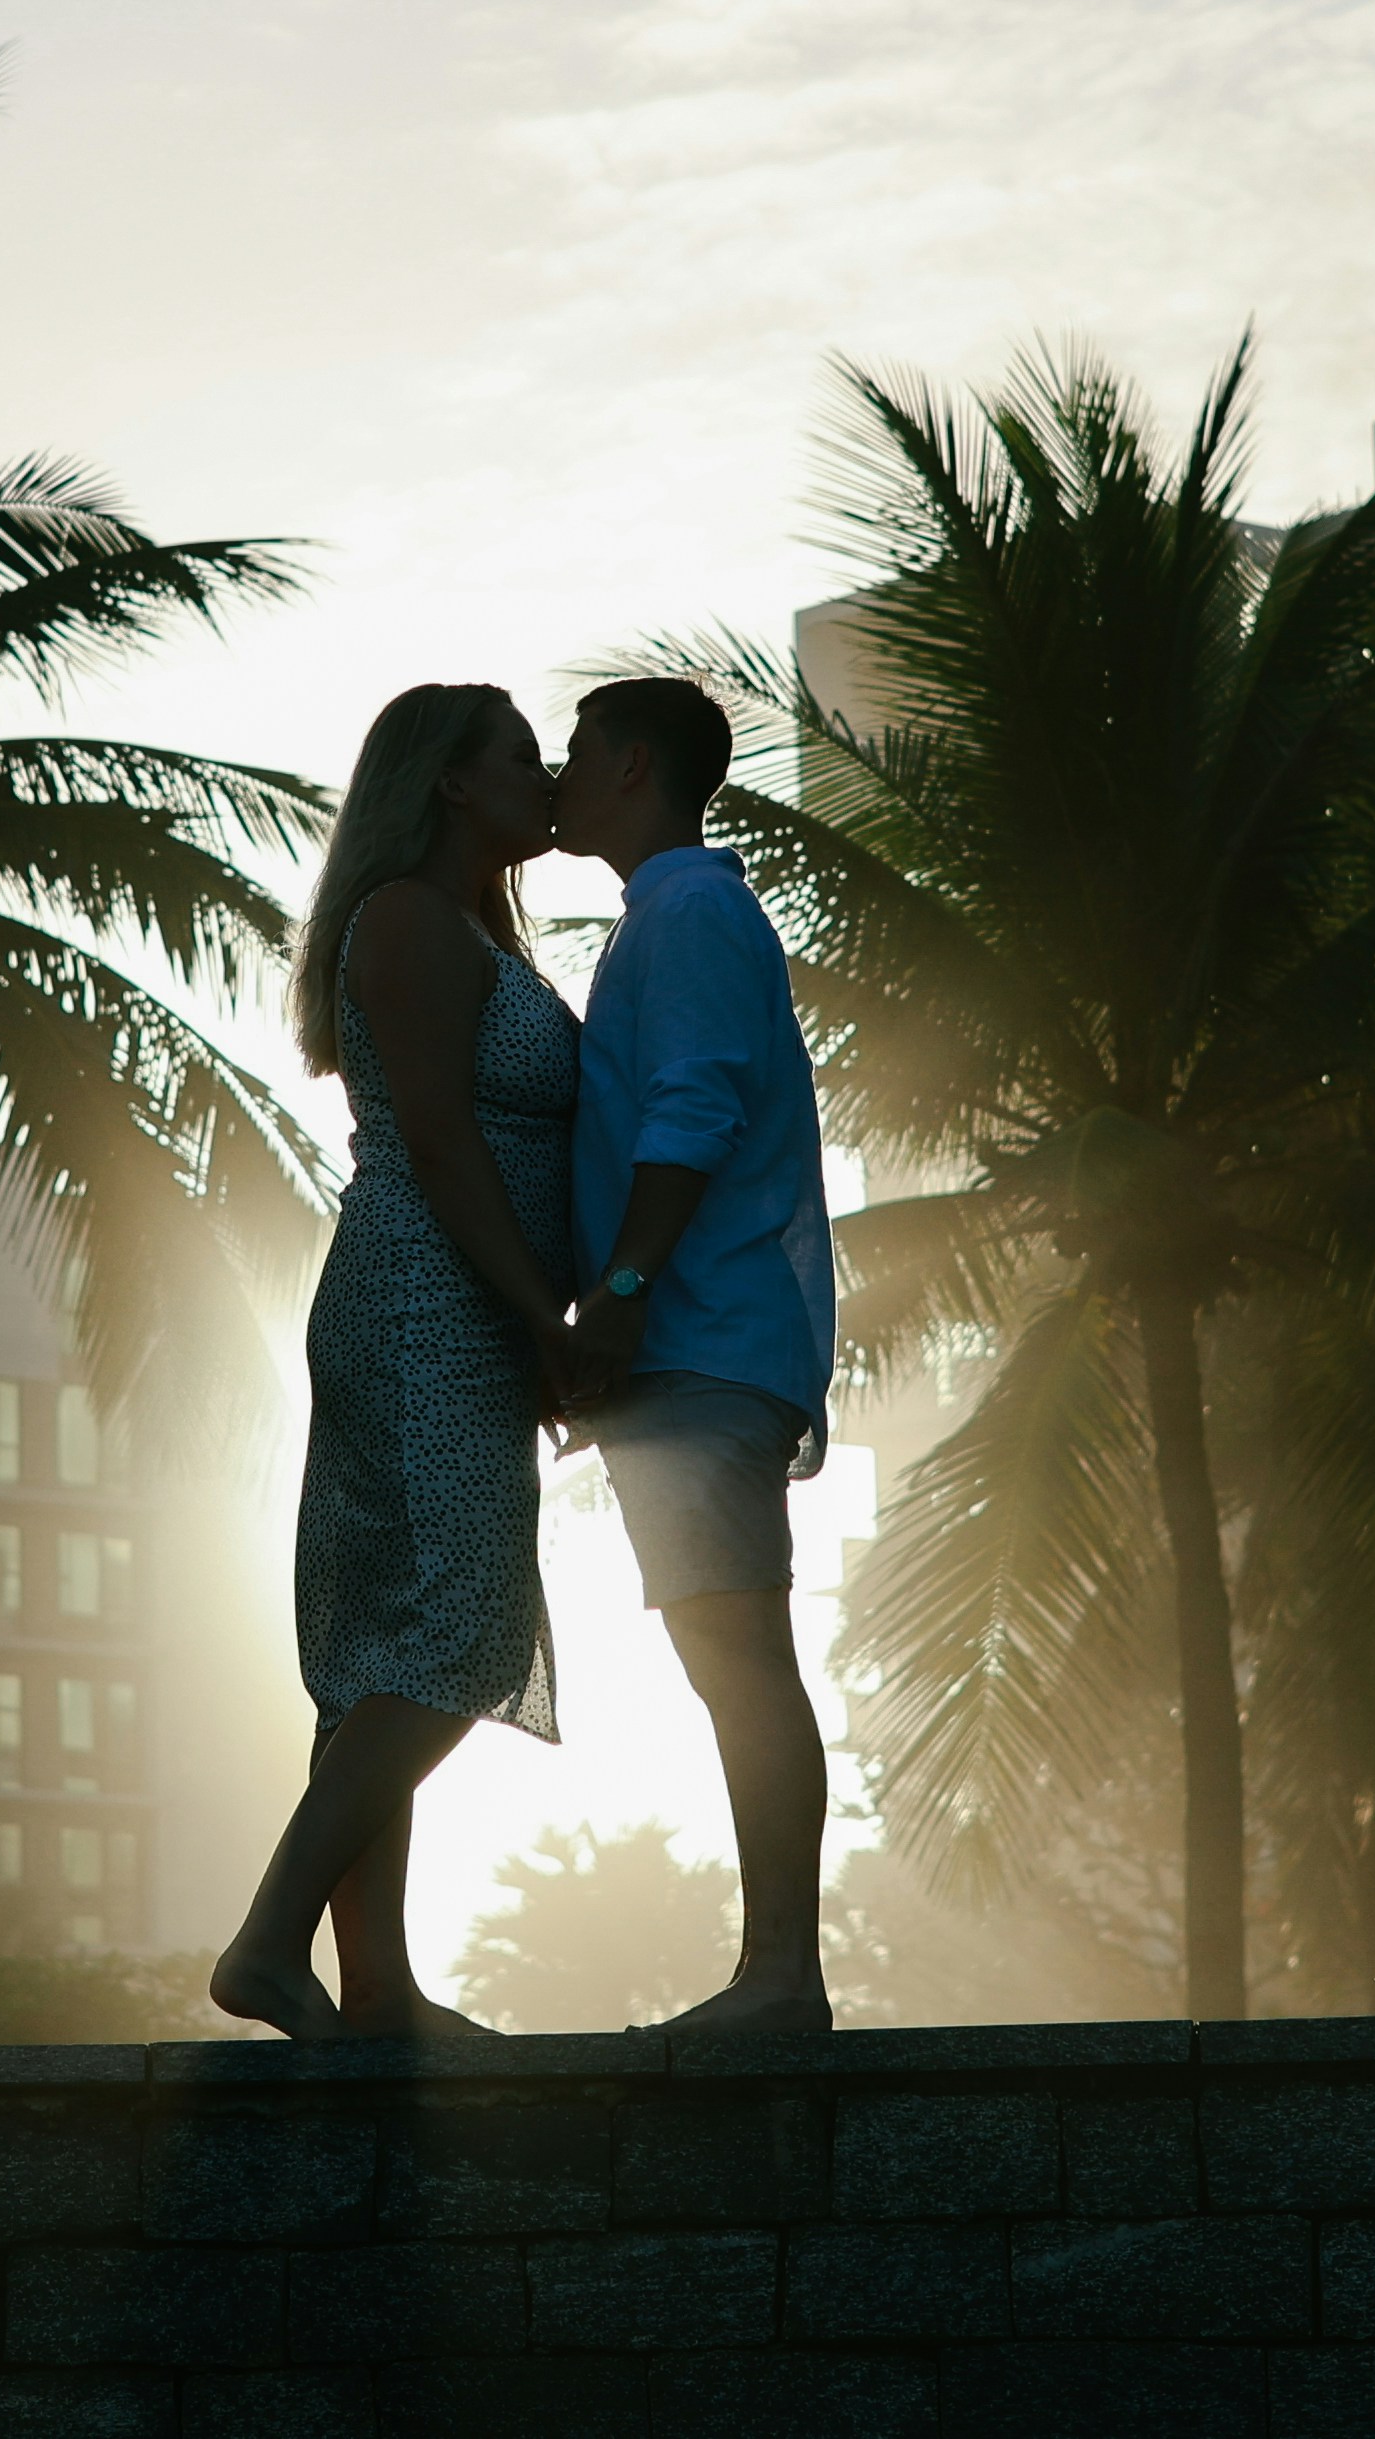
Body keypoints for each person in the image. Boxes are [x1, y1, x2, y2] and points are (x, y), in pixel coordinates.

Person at [207, 682, 584, 2041]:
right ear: (449, 783)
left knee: (389, 1650)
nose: (545, 779)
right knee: (458, 1630)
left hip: (447, 1305)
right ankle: (267, 1940)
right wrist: (543, 1315)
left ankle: (378, 1993)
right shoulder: (415, 923)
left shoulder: (463, 926)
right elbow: (439, 1137)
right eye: (521, 760)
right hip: (427, 1303)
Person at [550, 670, 839, 2036]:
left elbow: (696, 1106)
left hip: (704, 1338)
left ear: (631, 766)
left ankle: (783, 1975)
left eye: (576, 753)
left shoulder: (696, 912)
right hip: (696, 1345)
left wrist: (618, 1286)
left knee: (740, 1657)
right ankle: (777, 1972)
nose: (558, 776)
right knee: (725, 1656)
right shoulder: (668, 915)